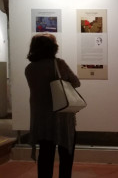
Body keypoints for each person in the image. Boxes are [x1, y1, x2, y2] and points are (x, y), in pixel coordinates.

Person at [25, 33, 80, 178]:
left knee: (45, 157)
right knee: (66, 157)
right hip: (61, 118)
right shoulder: (58, 64)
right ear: (52, 47)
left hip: (42, 119)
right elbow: (76, 82)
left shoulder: (30, 68)